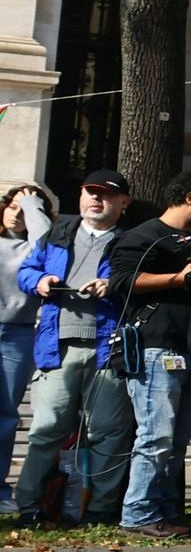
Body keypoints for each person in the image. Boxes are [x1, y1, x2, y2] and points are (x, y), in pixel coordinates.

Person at [16, 173, 141, 526]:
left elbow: (142, 285)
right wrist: (39, 282)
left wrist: (111, 285)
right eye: (90, 192)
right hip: (57, 347)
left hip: (108, 350)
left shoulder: (131, 242)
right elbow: (26, 272)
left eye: (106, 195)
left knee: (107, 432)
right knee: (47, 429)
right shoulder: (57, 233)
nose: (96, 200)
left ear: (123, 203)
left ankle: (100, 509)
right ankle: (30, 507)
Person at [107, 169, 191, 535]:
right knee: (155, 436)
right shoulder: (143, 237)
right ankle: (138, 513)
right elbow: (121, 283)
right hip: (154, 348)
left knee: (175, 440)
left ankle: (163, 509)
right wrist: (179, 278)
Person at [0, 184, 53, 517]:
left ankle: (0, 489)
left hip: (18, 335)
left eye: (28, 208)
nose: (18, 213)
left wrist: (34, 205)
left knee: (5, 416)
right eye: (13, 205)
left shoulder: (36, 247)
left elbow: (45, 239)